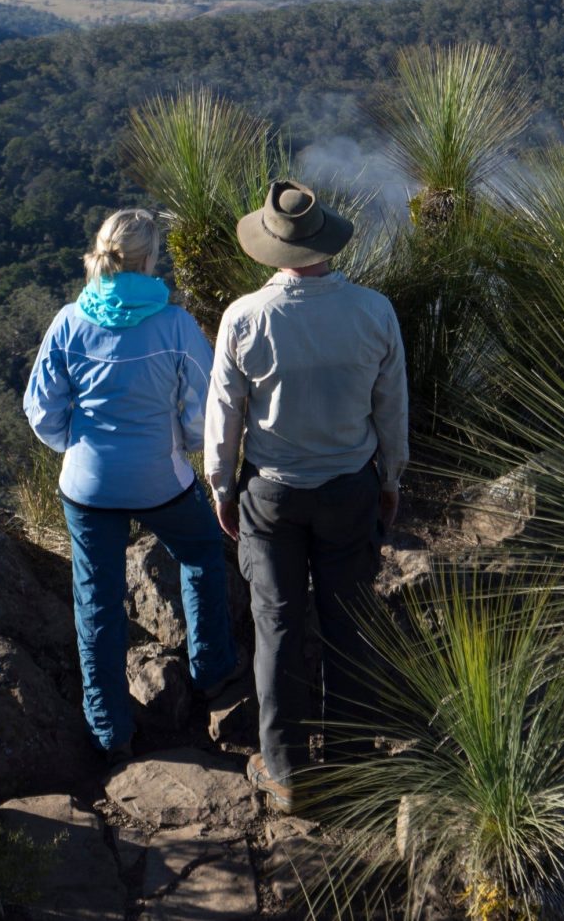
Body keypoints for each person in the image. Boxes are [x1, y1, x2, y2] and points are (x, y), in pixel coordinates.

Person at [204, 180, 407, 810]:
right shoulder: (374, 311)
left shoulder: (245, 317)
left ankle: (288, 772)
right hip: (350, 488)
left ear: (270, 248)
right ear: (325, 241)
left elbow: (224, 417)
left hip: (272, 496)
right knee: (349, 622)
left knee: (280, 626)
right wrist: (391, 478)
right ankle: (350, 763)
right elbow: (391, 407)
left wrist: (221, 488)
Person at [23, 209, 238, 761]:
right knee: (200, 552)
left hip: (88, 485)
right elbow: (205, 408)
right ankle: (211, 674)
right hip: (158, 480)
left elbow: (40, 407)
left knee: (96, 600)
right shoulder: (174, 325)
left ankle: (110, 729)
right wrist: (180, 443)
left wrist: (74, 444)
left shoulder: (70, 321)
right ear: (149, 260)